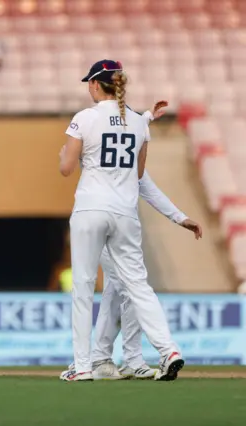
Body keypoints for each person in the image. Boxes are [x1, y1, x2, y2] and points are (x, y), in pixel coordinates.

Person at [59, 60, 184, 382]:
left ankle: (84, 367)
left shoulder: (84, 118)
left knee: (84, 288)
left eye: (90, 83)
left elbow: (66, 167)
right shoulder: (139, 123)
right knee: (139, 286)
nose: (88, 87)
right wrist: (145, 120)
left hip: (90, 208)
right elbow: (138, 173)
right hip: (125, 212)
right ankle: (168, 349)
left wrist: (66, 151)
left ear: (97, 85)